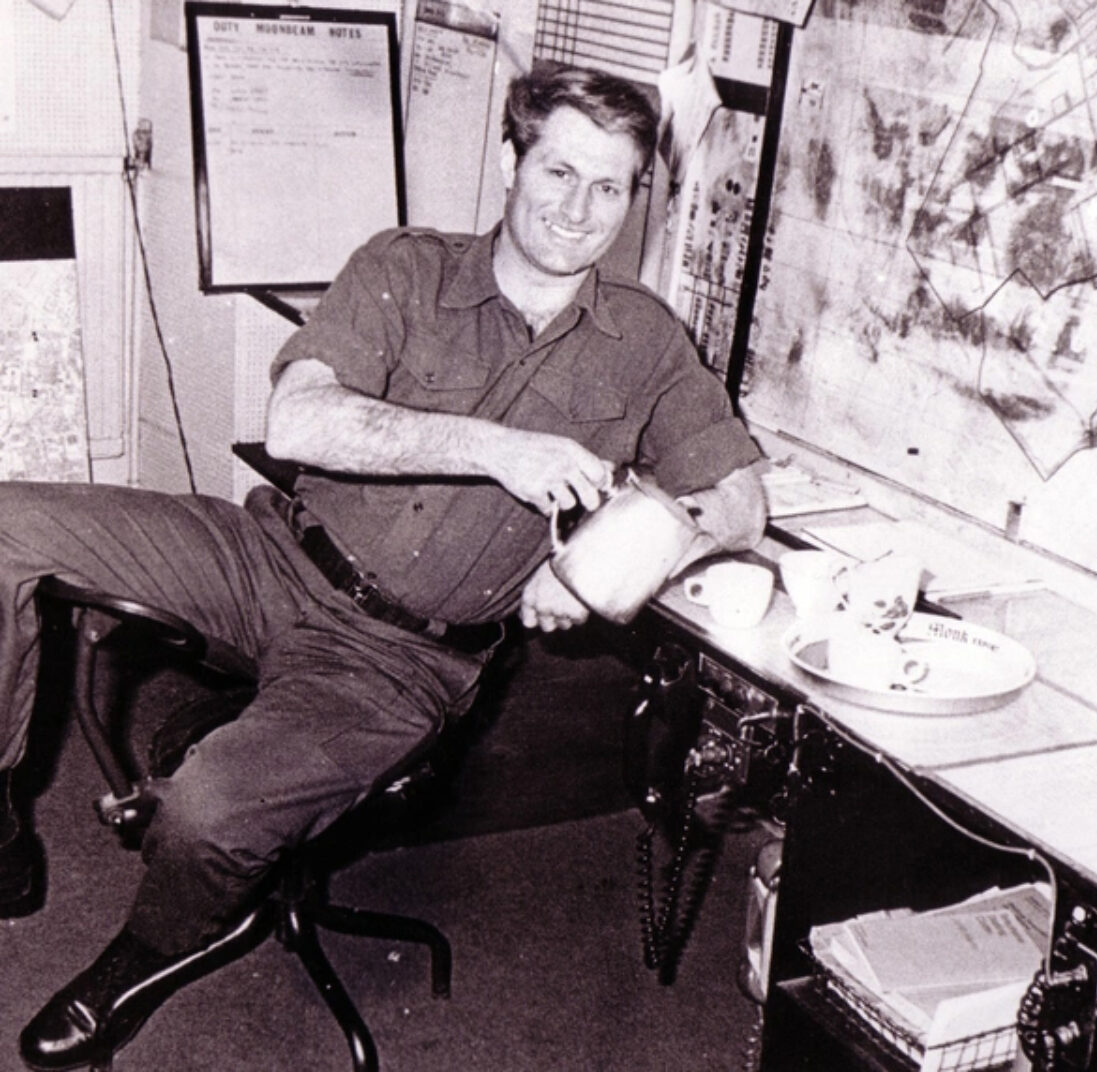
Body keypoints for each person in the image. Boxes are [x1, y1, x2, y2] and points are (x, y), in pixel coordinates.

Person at [0, 63, 766, 1069]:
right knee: (7, 522)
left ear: (636, 199)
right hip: (272, 554)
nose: (579, 209)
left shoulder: (647, 344)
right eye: (559, 172)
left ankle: (134, 960)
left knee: (205, 809)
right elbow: (300, 416)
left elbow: (742, 502)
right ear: (510, 160)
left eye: (610, 187)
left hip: (403, 659)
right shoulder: (407, 264)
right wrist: (496, 448)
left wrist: (600, 565)